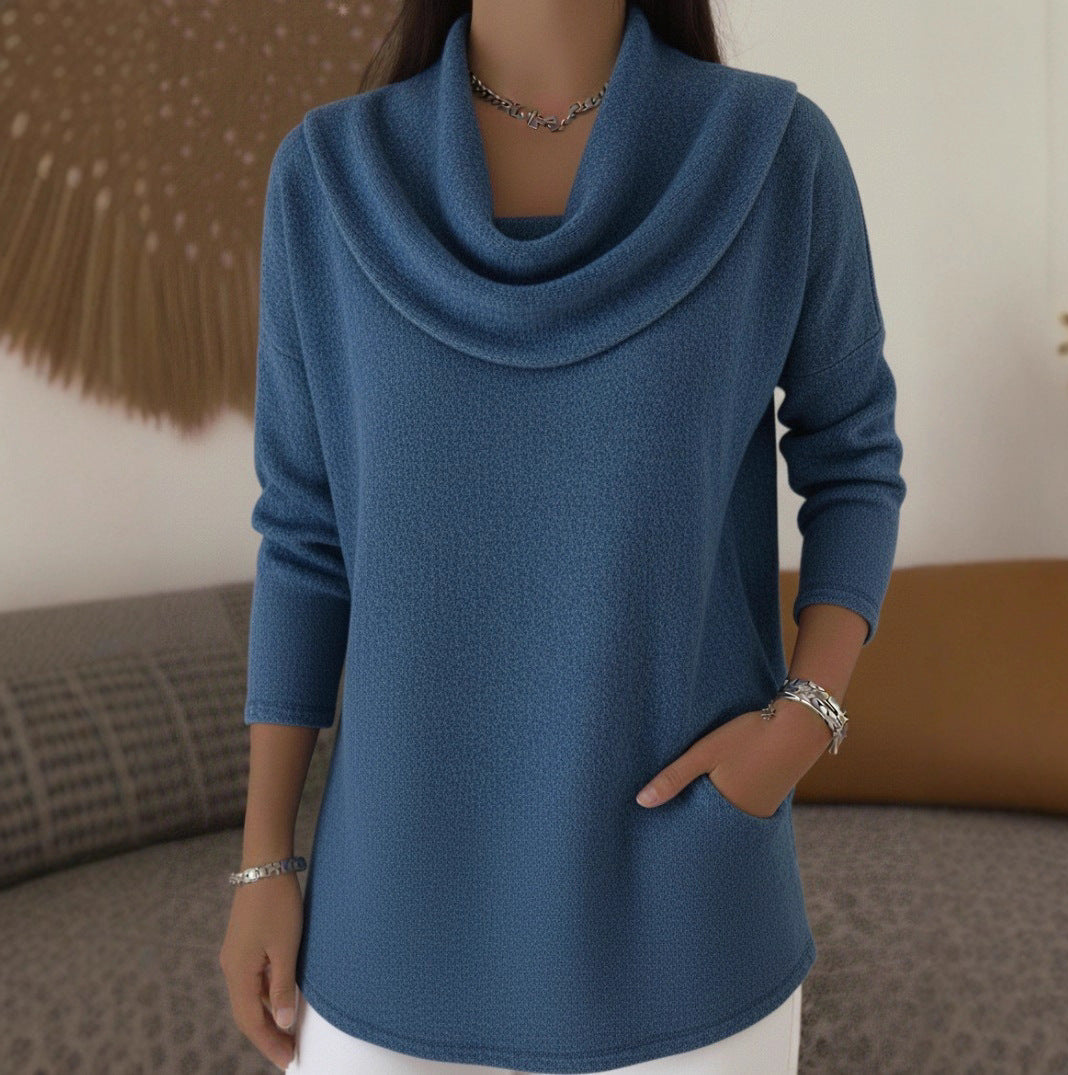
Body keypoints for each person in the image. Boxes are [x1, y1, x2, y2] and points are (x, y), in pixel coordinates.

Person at [218, 1, 907, 1073]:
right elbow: (306, 535)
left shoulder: (772, 156)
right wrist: (265, 863)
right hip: (390, 934)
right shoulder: (330, 178)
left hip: (683, 925)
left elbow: (852, 456)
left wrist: (803, 722)